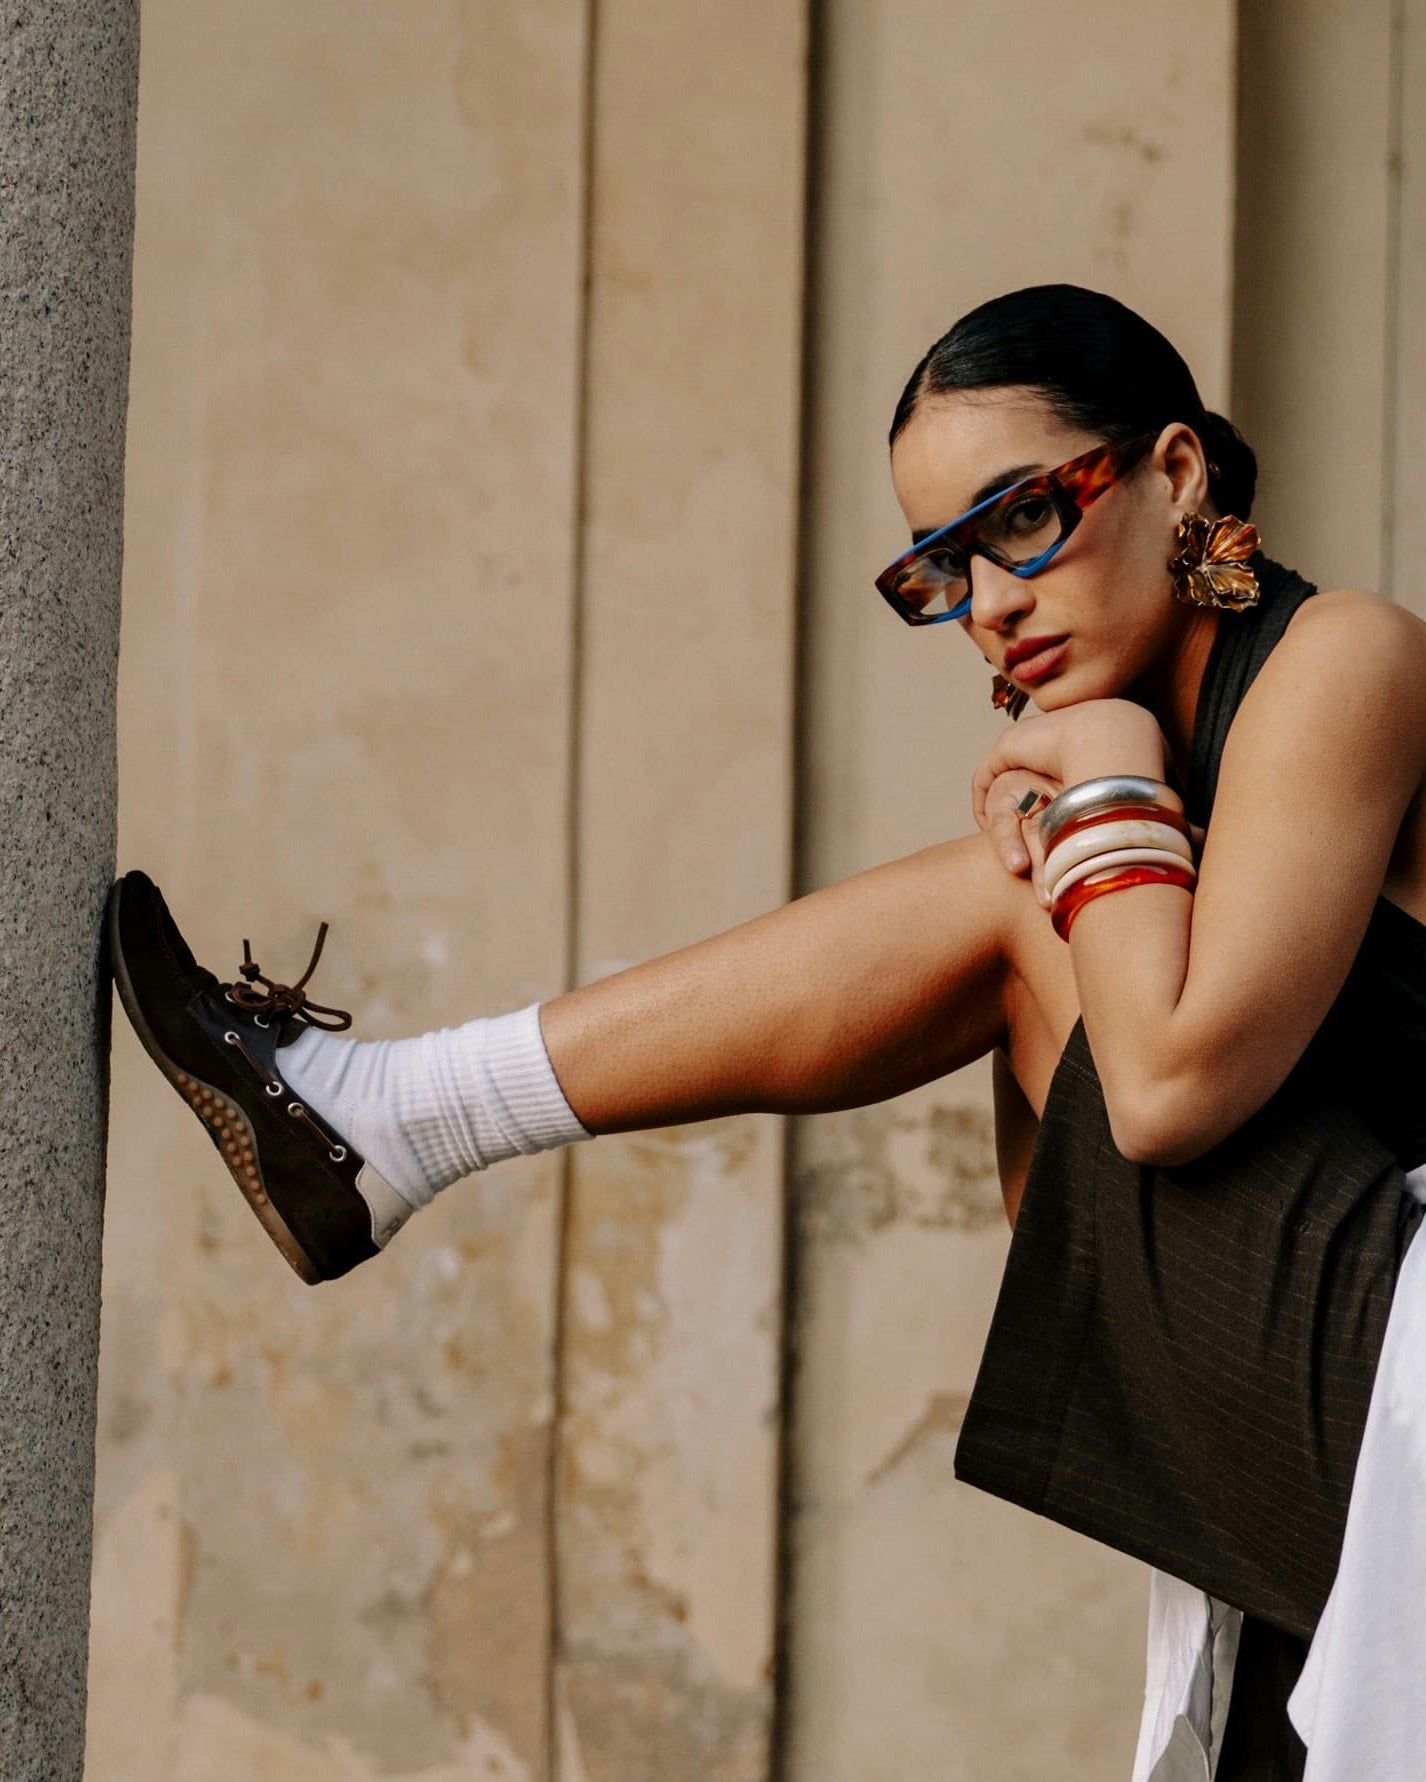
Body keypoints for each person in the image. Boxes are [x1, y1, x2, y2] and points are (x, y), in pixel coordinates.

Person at [106, 283, 1426, 1778]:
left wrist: (1104, 779)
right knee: (1015, 915)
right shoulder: (1138, 794)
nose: (990, 601)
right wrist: (1089, 834)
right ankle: (392, 1123)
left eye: (1020, 518)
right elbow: (1078, 1225)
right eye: (942, 566)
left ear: (1174, 473)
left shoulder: (1344, 660)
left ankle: (408, 1116)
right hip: (1330, 1389)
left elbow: (1169, 1091)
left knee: (1004, 910)